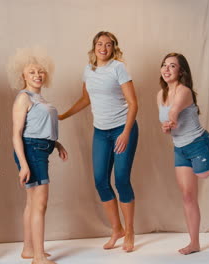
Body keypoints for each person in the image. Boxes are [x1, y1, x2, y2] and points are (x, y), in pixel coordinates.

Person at [59, 31, 138, 252]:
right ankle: (117, 230)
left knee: (121, 179)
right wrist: (64, 115)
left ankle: (130, 231)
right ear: (94, 47)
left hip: (123, 128)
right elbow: (86, 99)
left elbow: (133, 103)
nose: (103, 48)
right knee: (100, 181)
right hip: (101, 132)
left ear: (114, 48)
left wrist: (126, 133)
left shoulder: (118, 68)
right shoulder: (88, 70)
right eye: (99, 44)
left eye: (108, 44)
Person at [8, 48, 68, 264]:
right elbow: (16, 135)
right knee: (40, 204)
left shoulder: (38, 97)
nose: (37, 75)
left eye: (41, 72)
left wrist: (56, 144)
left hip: (40, 149)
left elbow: (39, 127)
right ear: (23, 75)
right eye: (32, 72)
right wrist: (24, 164)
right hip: (31, 153)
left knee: (32, 203)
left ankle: (28, 249)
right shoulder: (23, 98)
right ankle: (39, 257)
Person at [157, 52, 209, 255]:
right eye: (164, 65)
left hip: (198, 143)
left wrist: (172, 120)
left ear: (181, 71)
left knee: (204, 174)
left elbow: (174, 111)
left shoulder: (184, 91)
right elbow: (165, 120)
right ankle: (194, 243)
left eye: (172, 66)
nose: (167, 69)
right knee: (187, 196)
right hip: (180, 148)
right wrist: (166, 127)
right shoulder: (160, 94)